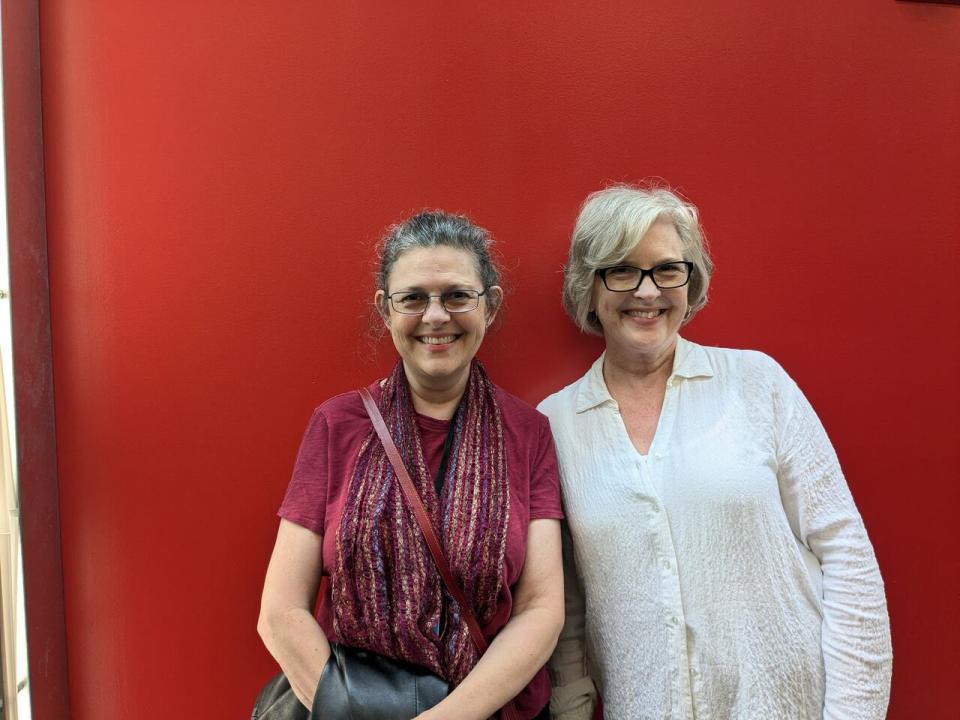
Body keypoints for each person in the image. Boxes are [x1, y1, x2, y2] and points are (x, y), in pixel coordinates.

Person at [540, 185, 892, 719]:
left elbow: (845, 551)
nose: (647, 291)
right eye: (621, 269)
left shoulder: (756, 383)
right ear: (588, 288)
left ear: (691, 279)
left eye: (666, 269)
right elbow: (566, 606)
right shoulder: (554, 425)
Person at [258, 211, 565, 720]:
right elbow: (280, 612)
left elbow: (541, 608)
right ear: (386, 309)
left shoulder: (528, 433)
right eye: (414, 298)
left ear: (490, 305)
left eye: (457, 296)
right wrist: (351, 715)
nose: (436, 316)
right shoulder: (337, 425)